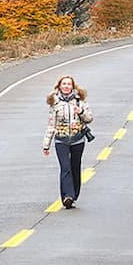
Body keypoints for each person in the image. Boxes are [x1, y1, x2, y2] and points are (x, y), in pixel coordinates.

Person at [42, 75, 92, 209]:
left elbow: (89, 118)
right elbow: (51, 125)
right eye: (63, 84)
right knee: (65, 168)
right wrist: (46, 145)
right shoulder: (55, 103)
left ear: (73, 87)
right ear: (59, 86)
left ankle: (74, 195)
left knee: (75, 167)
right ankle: (67, 196)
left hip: (77, 139)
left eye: (68, 84)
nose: (66, 86)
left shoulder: (79, 102)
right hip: (61, 140)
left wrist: (80, 112)